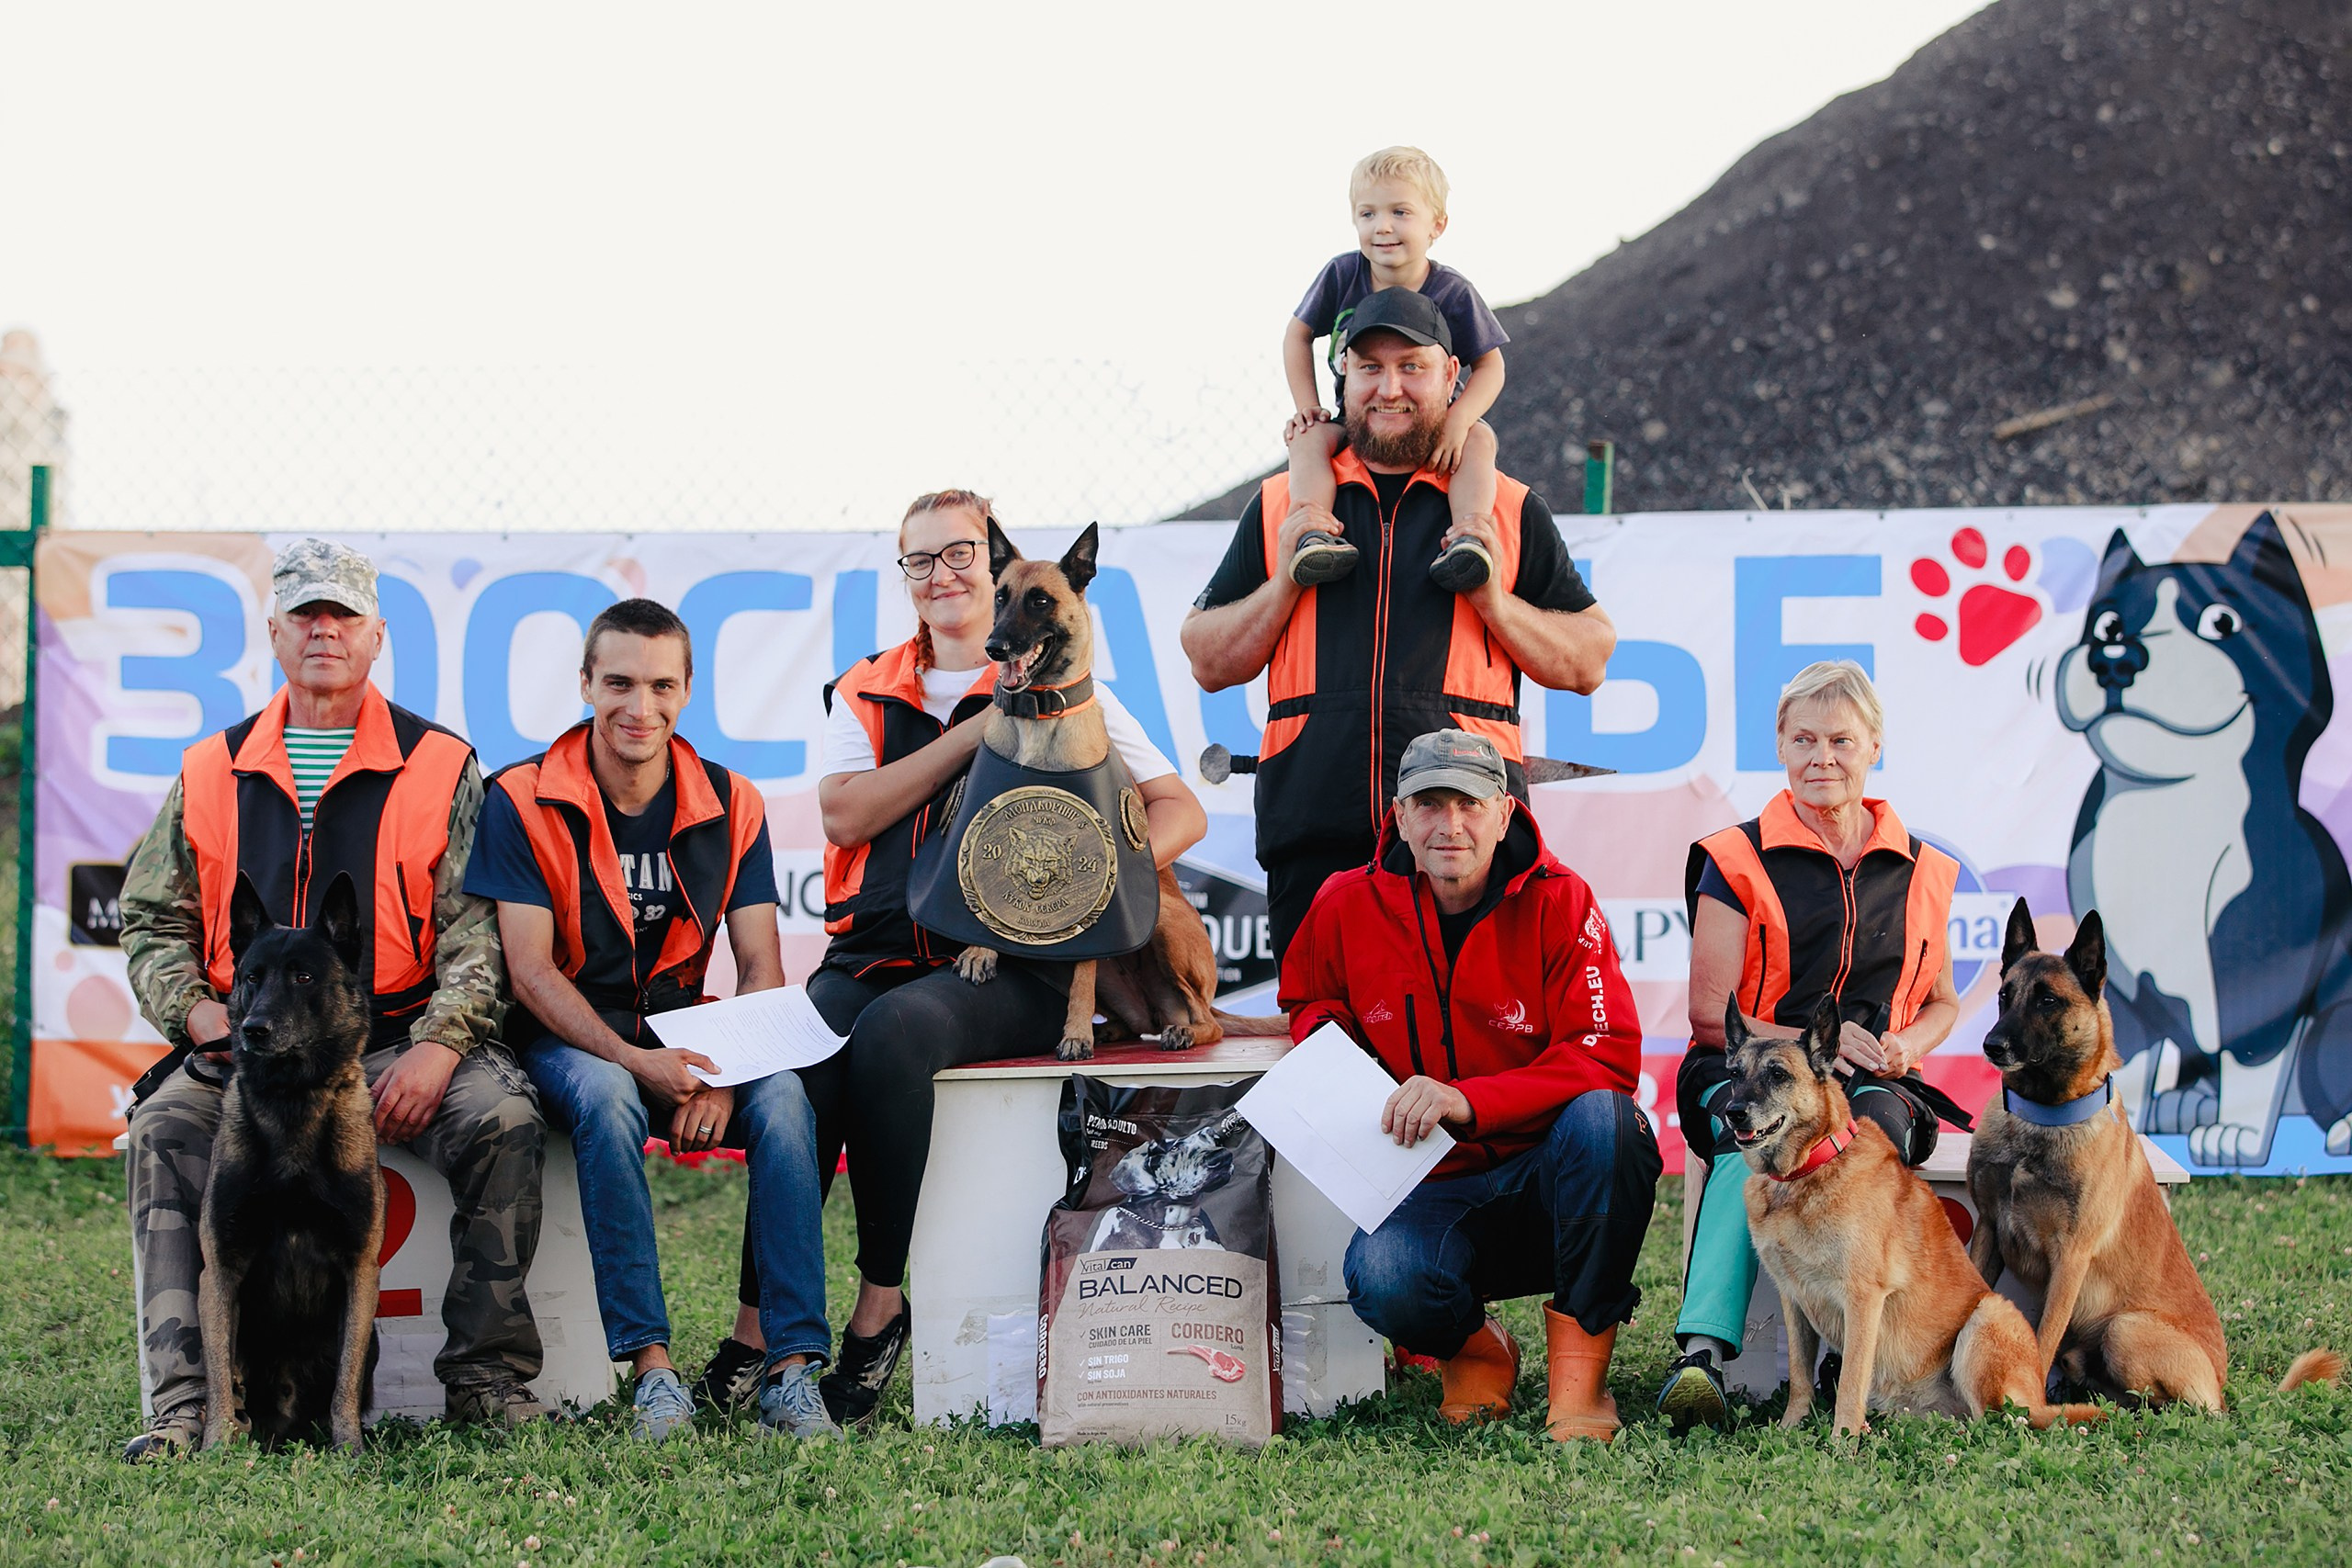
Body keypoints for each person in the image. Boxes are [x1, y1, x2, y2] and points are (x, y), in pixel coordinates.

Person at [119, 539, 545, 1461]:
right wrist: (198, 1016)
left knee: (502, 1117)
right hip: (248, 1049)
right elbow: (151, 922)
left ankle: (484, 1381)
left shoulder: (441, 764)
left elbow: (478, 934)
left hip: (394, 1040)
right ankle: (186, 1407)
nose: (324, 630)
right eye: (306, 614)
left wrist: (442, 1043)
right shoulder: (208, 768)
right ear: (274, 632)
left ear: (376, 636)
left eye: (343, 615)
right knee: (163, 1131)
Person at [807, 488, 1207, 1427]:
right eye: (922, 561)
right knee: (797, 1083)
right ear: (905, 579)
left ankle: (877, 1305)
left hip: (1010, 970)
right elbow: (845, 815)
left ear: (996, 572)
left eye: (961, 556)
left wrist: (1096, 874)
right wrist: (973, 732)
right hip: (871, 953)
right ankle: (765, 1337)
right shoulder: (862, 690)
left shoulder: (1080, 696)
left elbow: (1180, 810)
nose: (944, 574)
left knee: (896, 1036)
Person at [467, 599, 835, 1441]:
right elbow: (528, 971)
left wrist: (728, 1068)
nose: (642, 706)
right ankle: (653, 1372)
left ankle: (790, 1371)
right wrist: (643, 1065)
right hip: (572, 1036)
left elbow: (760, 965)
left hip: (687, 1037)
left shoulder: (732, 799)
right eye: (621, 682)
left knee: (783, 1101)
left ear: (688, 689)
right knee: (606, 1097)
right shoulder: (520, 797)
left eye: (662, 684)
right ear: (587, 683)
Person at [1184, 287, 1616, 965]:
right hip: (1314, 839)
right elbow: (1207, 656)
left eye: (1412, 366)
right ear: (1343, 380)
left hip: (1464, 842)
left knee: (1462, 1060)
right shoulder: (1282, 503)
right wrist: (1287, 581)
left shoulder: (1502, 506)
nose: (1390, 388)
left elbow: (1589, 659)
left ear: (1453, 377)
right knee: (1325, 1056)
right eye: (1369, 368)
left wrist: (1494, 603)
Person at [1280, 728, 1660, 1443]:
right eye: (1428, 803)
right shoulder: (1343, 900)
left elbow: (1605, 1054)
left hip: (1549, 1174)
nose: (1449, 825)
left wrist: (1468, 1099)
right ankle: (1479, 1351)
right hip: (1429, 1182)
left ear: (1506, 813)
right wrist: (1340, 1052)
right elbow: (1308, 997)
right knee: (1383, 1275)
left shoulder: (1563, 899)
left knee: (1610, 1123)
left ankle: (1581, 1388)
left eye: (1469, 802)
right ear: (1397, 814)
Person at [1657, 660, 1968, 1431]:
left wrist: (1902, 1046)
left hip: (1871, 1080)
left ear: (1874, 746)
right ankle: (1701, 1356)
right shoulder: (1736, 857)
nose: (1821, 757)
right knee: (1756, 1130)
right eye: (1804, 739)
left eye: (1840, 740)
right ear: (1781, 745)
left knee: (1874, 1130)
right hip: (1747, 1062)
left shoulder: (1924, 869)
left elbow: (1944, 1003)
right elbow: (1706, 1011)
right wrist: (1807, 1043)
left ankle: (1844, 1356)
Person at [1282, 146, 1510, 593]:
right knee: (1305, 439)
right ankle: (1313, 532)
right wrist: (1308, 407)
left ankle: (1468, 537)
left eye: (1400, 212)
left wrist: (1458, 421)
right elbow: (1297, 336)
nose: (1382, 226)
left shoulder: (1452, 291)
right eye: (1367, 214)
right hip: (1358, 421)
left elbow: (1491, 366)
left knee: (1480, 439)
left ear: (1436, 225)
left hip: (1432, 424)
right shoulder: (1341, 274)